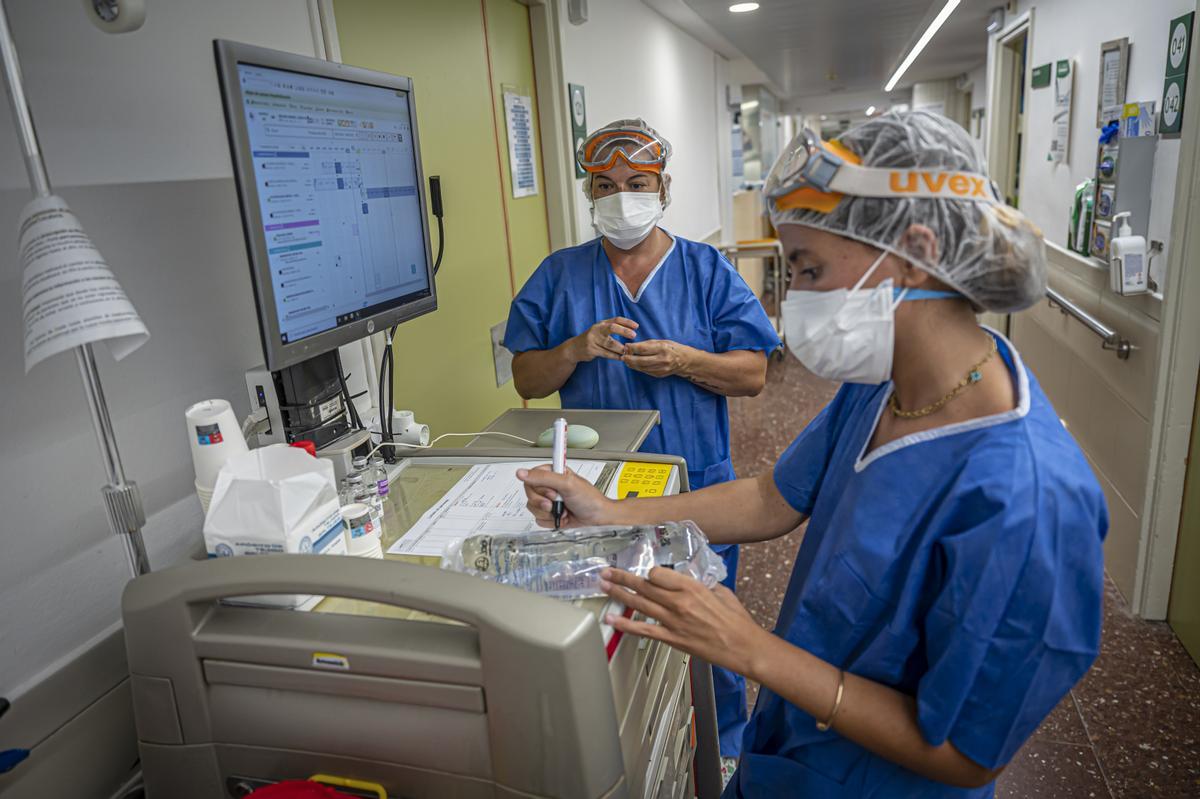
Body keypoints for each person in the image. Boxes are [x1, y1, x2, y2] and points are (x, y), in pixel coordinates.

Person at [516, 111, 1107, 797]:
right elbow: (772, 496)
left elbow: (968, 755)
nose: (792, 298)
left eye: (808, 267)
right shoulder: (884, 389)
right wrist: (611, 510)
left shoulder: (1030, 500)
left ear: (914, 252)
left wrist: (754, 650)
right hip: (793, 751)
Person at [503, 118, 781, 759]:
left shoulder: (705, 269)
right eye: (604, 185)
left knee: (706, 618)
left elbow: (754, 373)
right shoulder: (561, 275)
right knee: (614, 623)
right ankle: (629, 748)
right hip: (597, 489)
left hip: (695, 482)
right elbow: (527, 377)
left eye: (637, 183)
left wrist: (687, 361)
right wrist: (574, 348)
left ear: (663, 188)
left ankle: (722, 744)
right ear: (588, 192)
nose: (620, 196)